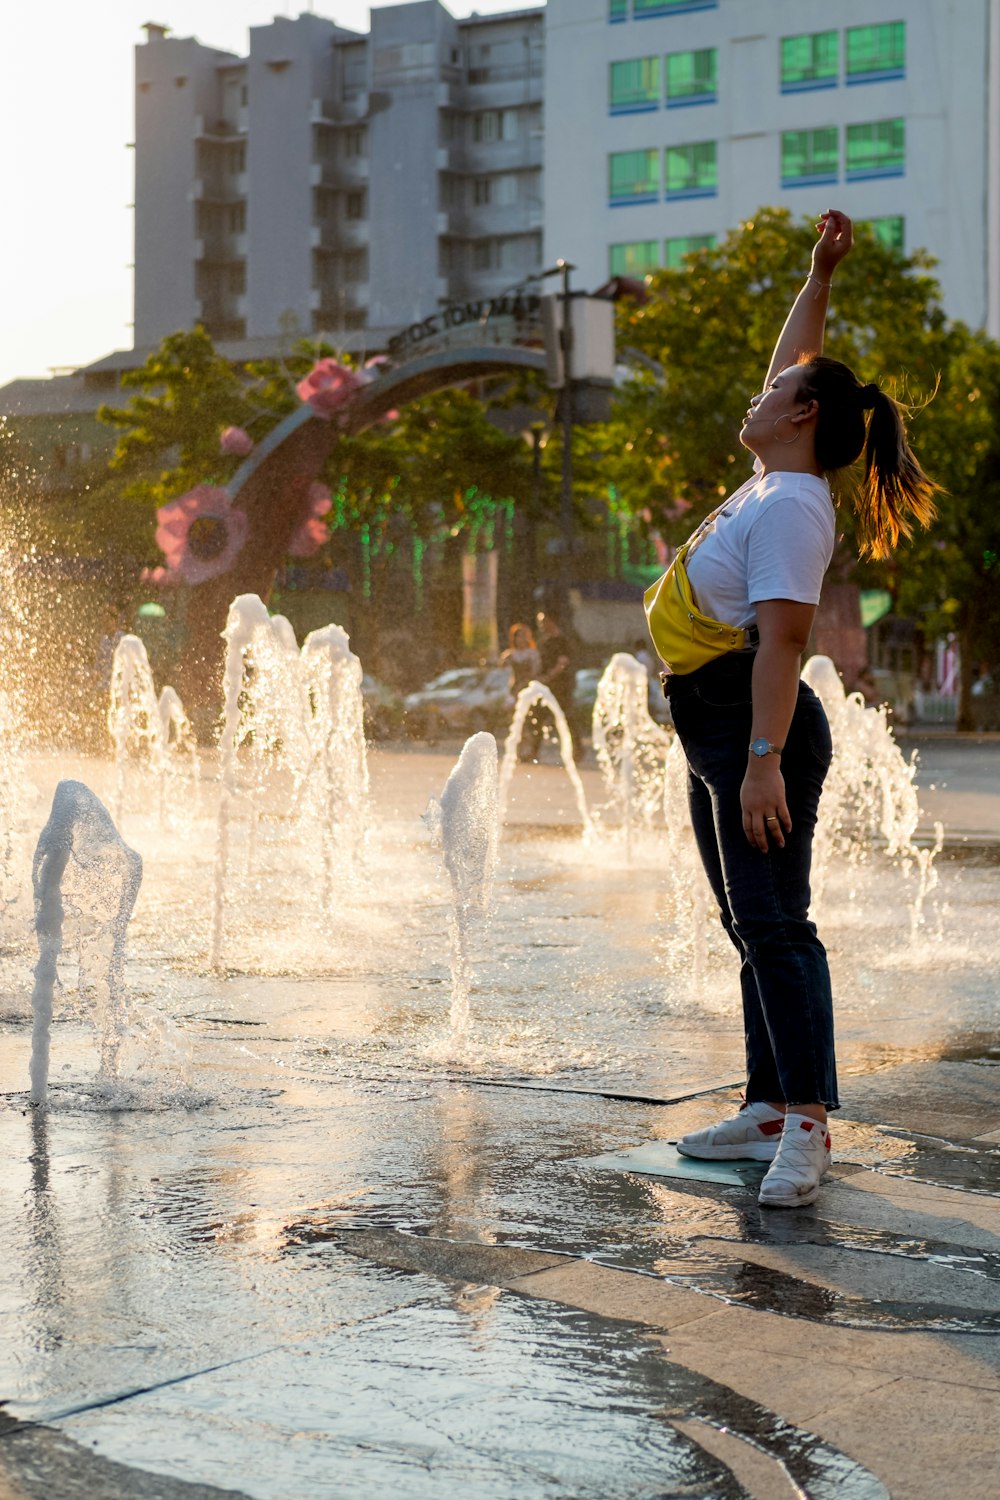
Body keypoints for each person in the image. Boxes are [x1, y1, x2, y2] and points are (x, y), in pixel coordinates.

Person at [658, 209, 938, 1208]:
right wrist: (815, 277)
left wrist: (763, 760)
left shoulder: (788, 509)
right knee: (747, 920)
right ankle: (766, 1106)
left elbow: (785, 642)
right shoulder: (772, 475)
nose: (760, 389)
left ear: (803, 418)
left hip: (754, 724)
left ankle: (807, 1126)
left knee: (777, 923)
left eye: (774, 392)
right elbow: (801, 357)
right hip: (718, 725)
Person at [522, 610, 576, 759]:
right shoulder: (543, 641)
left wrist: (548, 677)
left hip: (561, 687)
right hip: (544, 687)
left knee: (566, 718)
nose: (540, 625)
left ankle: (577, 750)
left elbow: (562, 663)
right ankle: (534, 751)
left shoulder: (562, 641)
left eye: (543, 621)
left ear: (551, 621)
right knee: (537, 717)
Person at [498, 622, 541, 700]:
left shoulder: (532, 653)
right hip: (515, 684)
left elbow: (535, 670)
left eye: (523, 636)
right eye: (518, 636)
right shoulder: (510, 654)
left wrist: (526, 680)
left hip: (529, 684)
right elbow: (502, 669)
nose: (521, 639)